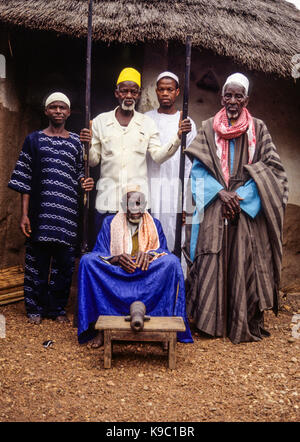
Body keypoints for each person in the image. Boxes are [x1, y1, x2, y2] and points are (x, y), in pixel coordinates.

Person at [184, 73, 288, 344]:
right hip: (215, 202)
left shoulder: (259, 128)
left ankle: (240, 322)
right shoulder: (207, 128)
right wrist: (221, 193)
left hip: (244, 207)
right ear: (221, 98)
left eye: (238, 96)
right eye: (228, 95)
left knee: (245, 259)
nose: (232, 101)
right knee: (210, 257)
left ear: (246, 99)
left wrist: (239, 197)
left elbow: (273, 172)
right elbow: (196, 172)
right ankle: (210, 323)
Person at [8, 92, 94, 324]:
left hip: (67, 214)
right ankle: (34, 308)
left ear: (69, 112)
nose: (58, 111)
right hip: (40, 213)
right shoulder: (33, 140)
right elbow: (24, 179)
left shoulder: (77, 142)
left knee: (64, 264)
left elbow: (80, 173)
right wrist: (24, 214)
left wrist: (84, 182)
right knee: (37, 262)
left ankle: (56, 309)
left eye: (62, 107)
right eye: (53, 107)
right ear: (46, 111)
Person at [79, 67, 192, 237]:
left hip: (137, 205)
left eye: (133, 92)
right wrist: (86, 145)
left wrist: (178, 137)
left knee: (135, 255)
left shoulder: (147, 123)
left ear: (139, 94)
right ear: (117, 93)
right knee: (106, 254)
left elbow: (158, 156)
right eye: (124, 91)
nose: (129, 96)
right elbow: (93, 161)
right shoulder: (101, 122)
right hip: (107, 200)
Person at [77, 186, 193, 348]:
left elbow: (163, 252)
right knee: (87, 262)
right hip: (117, 275)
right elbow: (99, 253)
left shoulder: (155, 224)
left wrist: (151, 255)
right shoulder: (110, 223)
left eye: (138, 204)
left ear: (144, 205)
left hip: (146, 275)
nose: (134, 209)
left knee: (172, 263)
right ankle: (101, 328)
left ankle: (164, 329)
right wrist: (116, 258)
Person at [145, 71, 197, 253]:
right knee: (150, 237)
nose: (165, 93)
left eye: (169, 89)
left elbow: (191, 165)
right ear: (156, 92)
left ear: (177, 92)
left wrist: (186, 204)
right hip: (151, 187)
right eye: (161, 89)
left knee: (175, 238)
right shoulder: (146, 119)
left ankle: (175, 280)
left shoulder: (186, 122)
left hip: (176, 189)